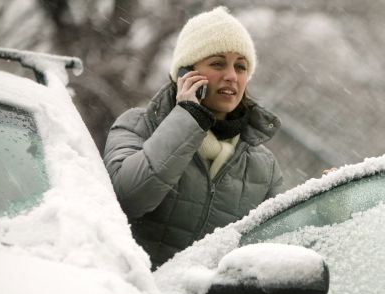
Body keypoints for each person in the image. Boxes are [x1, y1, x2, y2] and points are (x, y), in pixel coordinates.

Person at [103, 6, 283, 269]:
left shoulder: (264, 166)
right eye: (218, 63)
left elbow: (279, 248)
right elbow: (129, 199)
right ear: (184, 74)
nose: (232, 76)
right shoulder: (136, 126)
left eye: (241, 67)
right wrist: (188, 117)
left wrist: (329, 208)